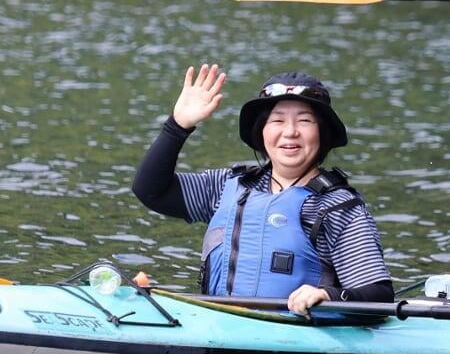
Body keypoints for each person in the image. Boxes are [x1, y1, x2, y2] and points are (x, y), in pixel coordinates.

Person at [132, 65, 392, 315]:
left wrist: (328, 295)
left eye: (304, 121)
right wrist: (177, 126)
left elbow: (378, 294)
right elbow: (150, 191)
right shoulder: (227, 186)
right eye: (277, 120)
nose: (290, 132)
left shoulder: (337, 206)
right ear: (262, 131)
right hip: (220, 324)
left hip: (301, 331)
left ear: (322, 133)